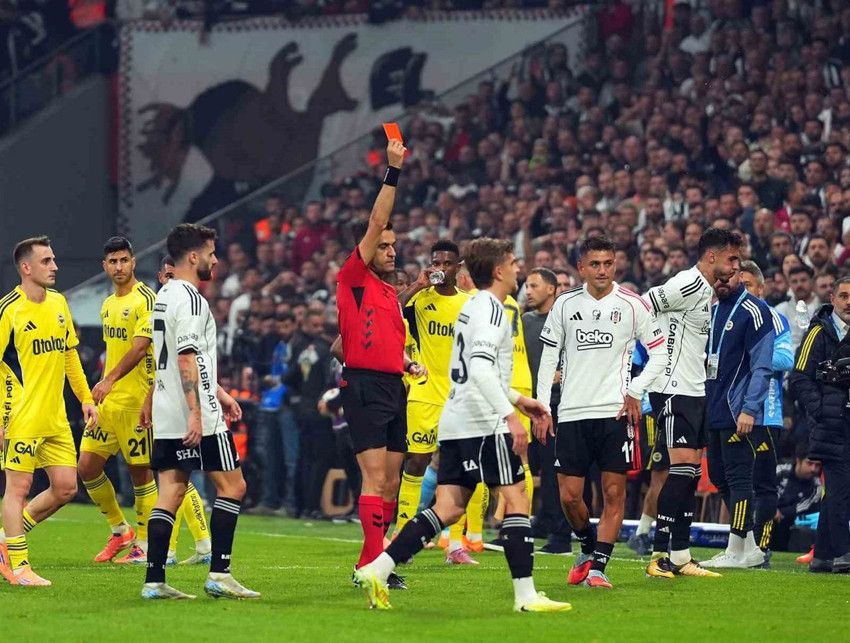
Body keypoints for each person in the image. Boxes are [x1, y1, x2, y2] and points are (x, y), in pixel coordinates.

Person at [354, 238, 570, 613]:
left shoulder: (472, 306)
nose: (518, 268)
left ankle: (378, 568)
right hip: (482, 422)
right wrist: (509, 415)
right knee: (517, 499)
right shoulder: (492, 310)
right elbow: (482, 370)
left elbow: (475, 369)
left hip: (456, 418)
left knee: (449, 507)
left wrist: (521, 400)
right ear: (499, 270)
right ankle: (526, 596)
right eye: (513, 262)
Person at [535, 236, 672, 588]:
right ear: (581, 267)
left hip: (615, 414)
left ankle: (598, 567)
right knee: (570, 497)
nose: (602, 270)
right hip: (572, 412)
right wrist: (542, 406)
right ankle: (587, 545)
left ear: (615, 265)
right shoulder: (565, 304)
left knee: (613, 494)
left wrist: (636, 390)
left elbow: (660, 353)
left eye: (608, 263)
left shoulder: (633, 304)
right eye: (594, 264)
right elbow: (549, 358)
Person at [140, 223, 257, 600]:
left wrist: (221, 393)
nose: (215, 260)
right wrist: (197, 411)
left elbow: (179, 357)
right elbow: (187, 356)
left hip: (168, 409)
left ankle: (154, 581)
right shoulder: (191, 299)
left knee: (170, 492)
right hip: (197, 414)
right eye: (210, 253)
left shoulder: (164, 294)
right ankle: (219, 574)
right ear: (193, 257)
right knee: (234, 486)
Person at [78, 237, 211, 566]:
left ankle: (149, 544)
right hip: (110, 403)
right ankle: (120, 530)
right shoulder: (107, 305)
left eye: (124, 260)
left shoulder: (148, 299)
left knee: (152, 473)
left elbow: (140, 348)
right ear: (105, 266)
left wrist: (111, 380)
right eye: (113, 261)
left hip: (141, 400)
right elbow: (117, 351)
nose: (119, 267)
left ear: (133, 262)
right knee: (87, 466)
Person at [336, 140, 426, 583]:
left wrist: (407, 363)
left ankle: (368, 561)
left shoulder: (389, 292)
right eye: (384, 245)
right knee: (374, 480)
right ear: (366, 248)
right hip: (365, 386)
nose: (392, 251)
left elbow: (384, 340)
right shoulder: (353, 277)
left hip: (393, 386)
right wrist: (393, 171)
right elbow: (376, 220)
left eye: (394, 245)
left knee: (390, 483)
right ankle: (376, 567)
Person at [644, 228, 742, 579]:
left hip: (693, 389)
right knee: (681, 470)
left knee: (691, 473)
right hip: (673, 388)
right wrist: (657, 352)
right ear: (712, 257)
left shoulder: (705, 291)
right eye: (732, 258)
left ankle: (682, 556)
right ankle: (658, 555)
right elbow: (644, 305)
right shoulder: (688, 283)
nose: (737, 265)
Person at [0, 236, 98, 586]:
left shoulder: (58, 302)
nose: (55, 266)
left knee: (66, 488)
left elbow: (70, 355)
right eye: (46, 261)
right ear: (26, 268)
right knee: (18, 487)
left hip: (55, 418)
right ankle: (19, 567)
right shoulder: (9, 309)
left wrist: (86, 398)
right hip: (21, 416)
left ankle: (5, 542)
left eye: (54, 259)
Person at [393, 240, 474, 564]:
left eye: (447, 263)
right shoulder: (420, 298)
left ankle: (454, 545)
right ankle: (401, 536)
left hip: (458, 396)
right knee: (416, 463)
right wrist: (417, 284)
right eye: (436, 262)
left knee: (460, 468)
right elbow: (388, 311)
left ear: (458, 267)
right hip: (425, 393)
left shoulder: (469, 303)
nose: (441, 268)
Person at [700, 270, 774, 569]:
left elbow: (762, 366)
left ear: (739, 275)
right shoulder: (712, 310)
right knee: (719, 477)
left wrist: (750, 408)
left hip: (738, 410)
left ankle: (734, 550)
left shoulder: (755, 310)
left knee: (739, 478)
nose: (722, 282)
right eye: (717, 278)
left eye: (728, 276)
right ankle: (751, 548)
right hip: (714, 409)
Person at [789, 277, 850, 574]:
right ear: (832, 299)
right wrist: (821, 409)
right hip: (829, 425)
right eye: (844, 296)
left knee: (839, 489)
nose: (849, 302)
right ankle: (844, 553)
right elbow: (799, 376)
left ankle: (823, 555)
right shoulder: (818, 332)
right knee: (840, 488)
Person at [738, 261, 794, 560]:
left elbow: (786, 359)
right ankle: (740, 543)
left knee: (763, 484)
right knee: (733, 481)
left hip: (765, 416)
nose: (743, 290)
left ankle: (762, 547)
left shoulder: (774, 318)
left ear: (761, 289)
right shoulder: (727, 316)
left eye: (747, 285)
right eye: (739, 285)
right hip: (732, 415)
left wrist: (749, 356)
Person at [522, 267, 572, 554]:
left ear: (551, 289)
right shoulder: (524, 320)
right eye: (527, 286)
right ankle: (540, 522)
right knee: (530, 466)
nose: (528, 291)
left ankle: (561, 534)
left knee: (555, 471)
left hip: (558, 405)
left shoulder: (566, 320)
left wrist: (562, 374)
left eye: (534, 286)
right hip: (528, 405)